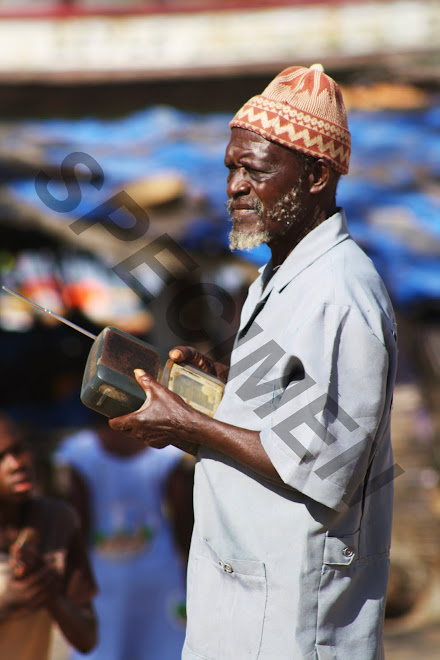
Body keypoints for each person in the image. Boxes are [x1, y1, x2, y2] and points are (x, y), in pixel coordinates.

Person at [109, 64, 397, 659]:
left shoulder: (340, 292)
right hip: (248, 598)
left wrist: (188, 426)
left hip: (295, 617)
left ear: (316, 175)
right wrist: (222, 387)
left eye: (254, 171)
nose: (234, 187)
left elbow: (327, 462)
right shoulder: (278, 277)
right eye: (230, 169)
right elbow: (293, 414)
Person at [54, 420, 190, 660]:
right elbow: (183, 522)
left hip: (102, 578)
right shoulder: (167, 449)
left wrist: (72, 582)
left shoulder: (80, 452)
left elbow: (78, 525)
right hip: (161, 574)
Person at [0, 412, 97, 660]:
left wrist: (51, 598)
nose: (17, 464)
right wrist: (8, 602)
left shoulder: (57, 521)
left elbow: (87, 639)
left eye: (19, 450)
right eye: (1, 458)